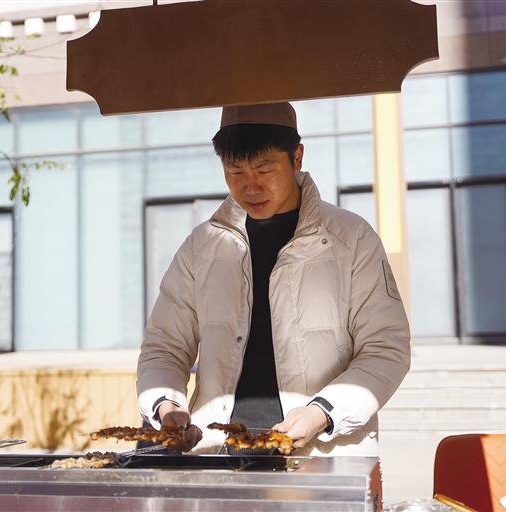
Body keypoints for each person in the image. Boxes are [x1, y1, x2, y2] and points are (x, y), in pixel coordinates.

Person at [137, 102, 411, 456]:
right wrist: (166, 404)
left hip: (321, 455)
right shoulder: (201, 247)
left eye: (265, 169)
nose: (250, 186)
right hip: (217, 454)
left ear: (297, 158)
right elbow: (165, 347)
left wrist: (322, 413)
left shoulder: (351, 238)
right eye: (235, 171)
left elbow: (385, 348)